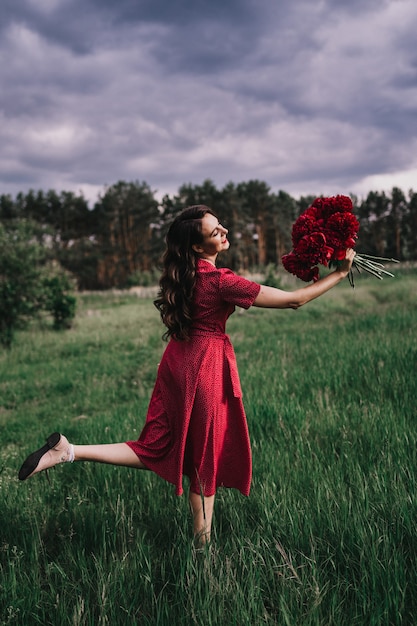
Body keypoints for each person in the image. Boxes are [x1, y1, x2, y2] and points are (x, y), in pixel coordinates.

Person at [18, 205, 355, 544]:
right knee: (203, 460)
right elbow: (294, 301)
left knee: (157, 446)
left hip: (178, 361)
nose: (224, 232)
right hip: (205, 369)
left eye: (220, 225)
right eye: (215, 232)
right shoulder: (221, 281)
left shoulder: (186, 275)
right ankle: (201, 552)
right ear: (197, 246)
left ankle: (69, 451)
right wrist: (339, 274)